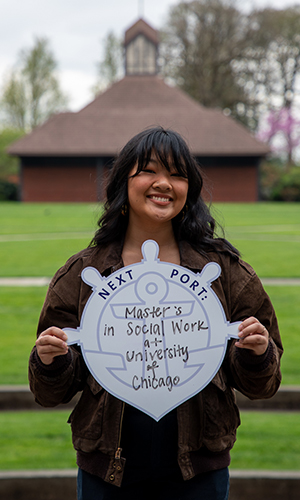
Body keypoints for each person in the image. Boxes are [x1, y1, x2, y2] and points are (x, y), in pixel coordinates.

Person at [29, 127, 283, 500]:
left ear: (190, 190)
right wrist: (51, 361)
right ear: (123, 182)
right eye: (149, 170)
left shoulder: (227, 273)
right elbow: (49, 392)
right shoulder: (83, 274)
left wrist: (257, 355)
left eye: (178, 174)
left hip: (199, 474)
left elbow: (264, 385)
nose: (164, 183)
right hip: (107, 474)